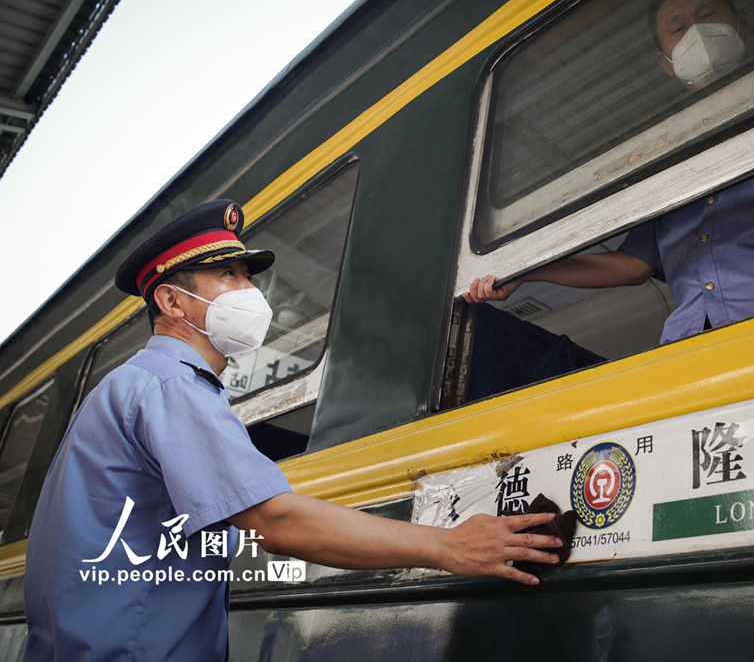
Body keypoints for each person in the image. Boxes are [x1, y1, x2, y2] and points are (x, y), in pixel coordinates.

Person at [23, 200, 562, 661]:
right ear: (171, 301)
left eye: (247, 276)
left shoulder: (131, 386)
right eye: (228, 276)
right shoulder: (169, 385)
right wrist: (448, 545)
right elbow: (272, 520)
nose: (248, 290)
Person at [465, 0, 754, 343]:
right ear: (665, 63)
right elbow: (633, 265)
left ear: (741, 26)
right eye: (678, 27)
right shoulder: (660, 150)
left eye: (707, 14)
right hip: (691, 345)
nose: (696, 31)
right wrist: (527, 272)